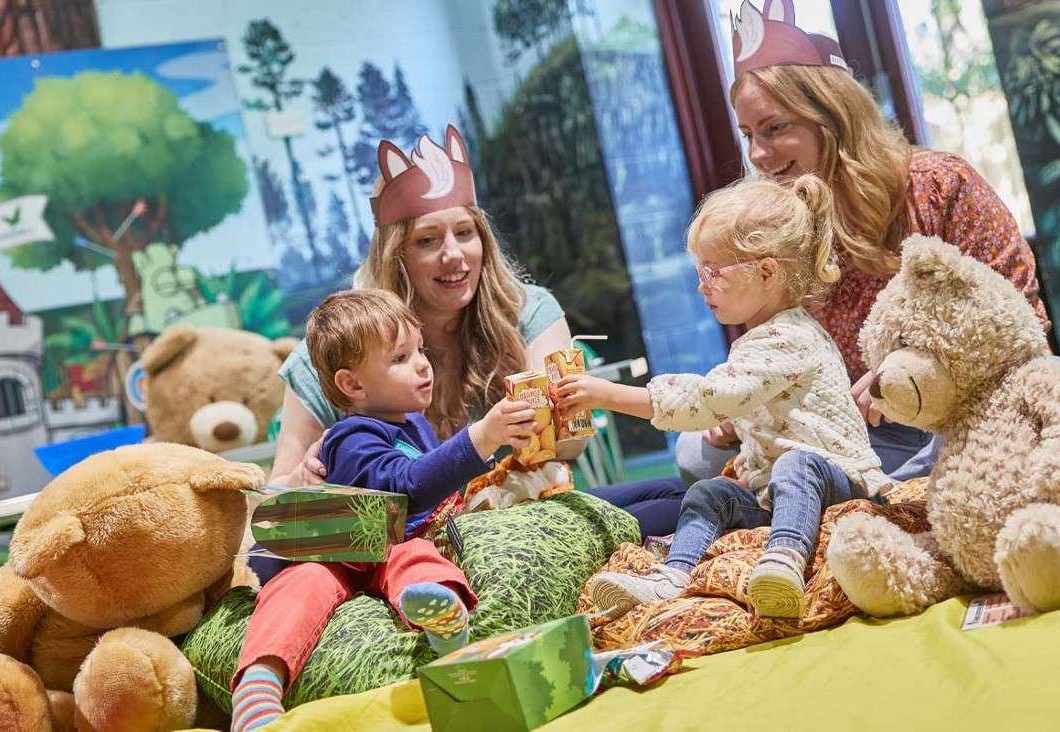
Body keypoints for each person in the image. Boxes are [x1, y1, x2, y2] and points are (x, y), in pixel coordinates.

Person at [675, 0, 1050, 484]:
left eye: (775, 128)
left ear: (831, 115)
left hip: (959, 413)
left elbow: (1024, 320)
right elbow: (777, 355)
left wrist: (908, 375)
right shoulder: (779, 228)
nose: (758, 154)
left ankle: (866, 494)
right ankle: (871, 492)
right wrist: (745, 406)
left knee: (1053, 389)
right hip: (853, 435)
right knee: (693, 452)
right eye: (748, 134)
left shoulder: (938, 185)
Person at [556, 174, 888, 620]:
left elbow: (709, 397)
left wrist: (609, 395)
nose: (701, 286)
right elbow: (764, 403)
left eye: (713, 271)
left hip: (838, 481)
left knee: (797, 464)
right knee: (710, 491)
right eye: (699, 271)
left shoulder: (787, 337)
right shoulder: (763, 338)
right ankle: (673, 575)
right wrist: (740, 426)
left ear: (767, 271)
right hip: (775, 492)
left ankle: (785, 559)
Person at [230, 290, 539, 732]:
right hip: (336, 555)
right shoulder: (351, 437)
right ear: (352, 385)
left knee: (411, 556)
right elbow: (409, 487)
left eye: (419, 350)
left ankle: (443, 614)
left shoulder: (412, 423)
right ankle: (258, 688)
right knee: (300, 585)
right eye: (400, 358)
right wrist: (482, 436)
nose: (422, 364)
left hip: (389, 549)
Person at [269, 125, 582, 491]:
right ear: (394, 256)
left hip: (531, 509)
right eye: (427, 240)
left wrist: (556, 419)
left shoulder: (528, 312)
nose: (453, 255)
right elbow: (275, 503)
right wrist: (304, 481)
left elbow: (572, 446)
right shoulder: (333, 348)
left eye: (465, 233)